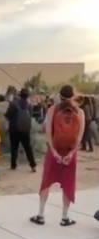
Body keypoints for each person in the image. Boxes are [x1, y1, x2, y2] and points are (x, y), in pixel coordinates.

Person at [30, 85, 85, 226]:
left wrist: (54, 152)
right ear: (73, 96)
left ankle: (41, 215)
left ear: (59, 96)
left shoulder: (52, 111)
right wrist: (71, 154)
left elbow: (48, 133)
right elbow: (79, 138)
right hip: (69, 153)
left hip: (54, 152)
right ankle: (65, 217)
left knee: (46, 182)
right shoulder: (79, 113)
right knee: (68, 183)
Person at [5, 88, 36, 172]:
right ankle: (33, 165)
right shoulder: (29, 105)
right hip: (25, 129)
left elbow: (7, 115)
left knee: (14, 147)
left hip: (14, 128)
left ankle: (13, 165)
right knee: (27, 147)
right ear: (27, 96)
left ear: (19, 94)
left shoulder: (13, 104)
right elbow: (31, 116)